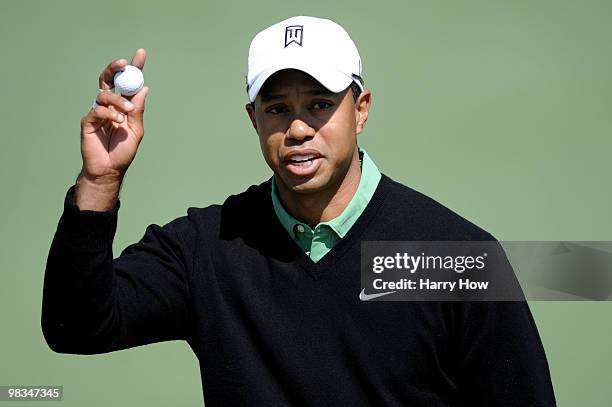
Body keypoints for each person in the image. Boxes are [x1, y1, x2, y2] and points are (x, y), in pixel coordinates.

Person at [42, 16, 556, 406]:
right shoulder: (206, 247)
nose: (298, 129)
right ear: (253, 119)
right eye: (276, 108)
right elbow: (76, 327)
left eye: (319, 104)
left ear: (361, 108)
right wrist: (100, 180)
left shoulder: (457, 258)